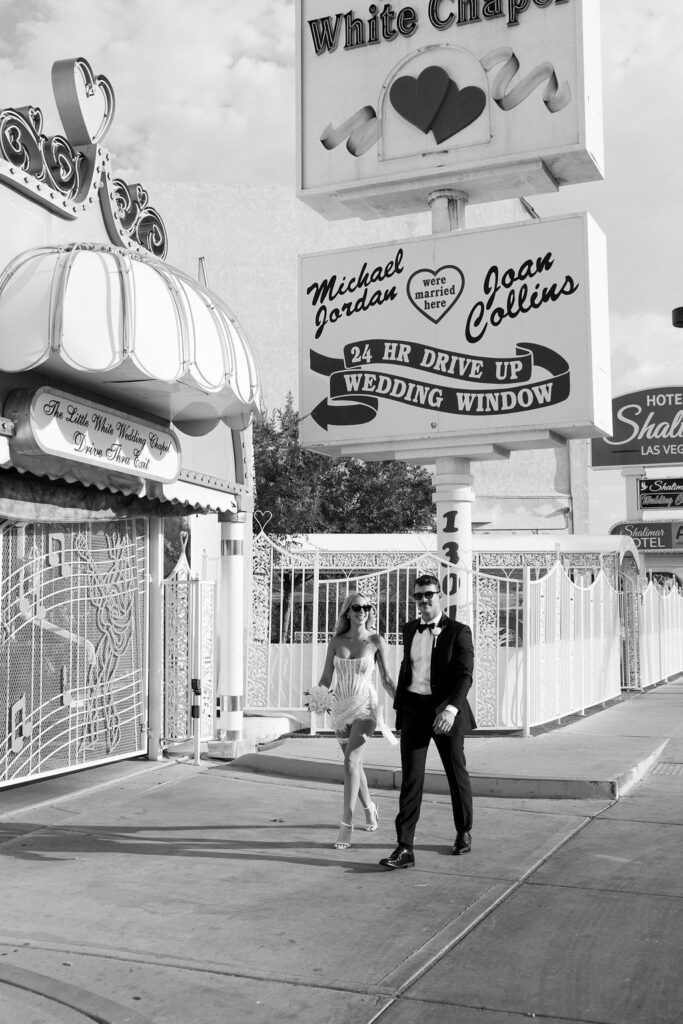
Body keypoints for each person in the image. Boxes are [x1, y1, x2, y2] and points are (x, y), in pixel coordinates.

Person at [379, 573, 476, 870]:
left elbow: (464, 676)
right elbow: (409, 666)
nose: (423, 601)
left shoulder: (459, 631)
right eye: (418, 596)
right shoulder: (410, 629)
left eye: (428, 595)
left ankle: (463, 831)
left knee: (455, 773)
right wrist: (401, 702)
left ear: (439, 596)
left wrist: (450, 710)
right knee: (411, 778)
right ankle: (404, 847)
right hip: (413, 710)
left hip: (444, 710)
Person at [313, 591, 397, 850]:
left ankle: (346, 826)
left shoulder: (375, 640)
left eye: (367, 608)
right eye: (358, 608)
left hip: (365, 706)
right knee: (354, 765)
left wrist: (405, 703)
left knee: (351, 760)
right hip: (339, 707)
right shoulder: (336, 641)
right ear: (348, 611)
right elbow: (327, 677)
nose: (363, 612)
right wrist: (318, 698)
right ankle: (370, 808)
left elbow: (386, 678)